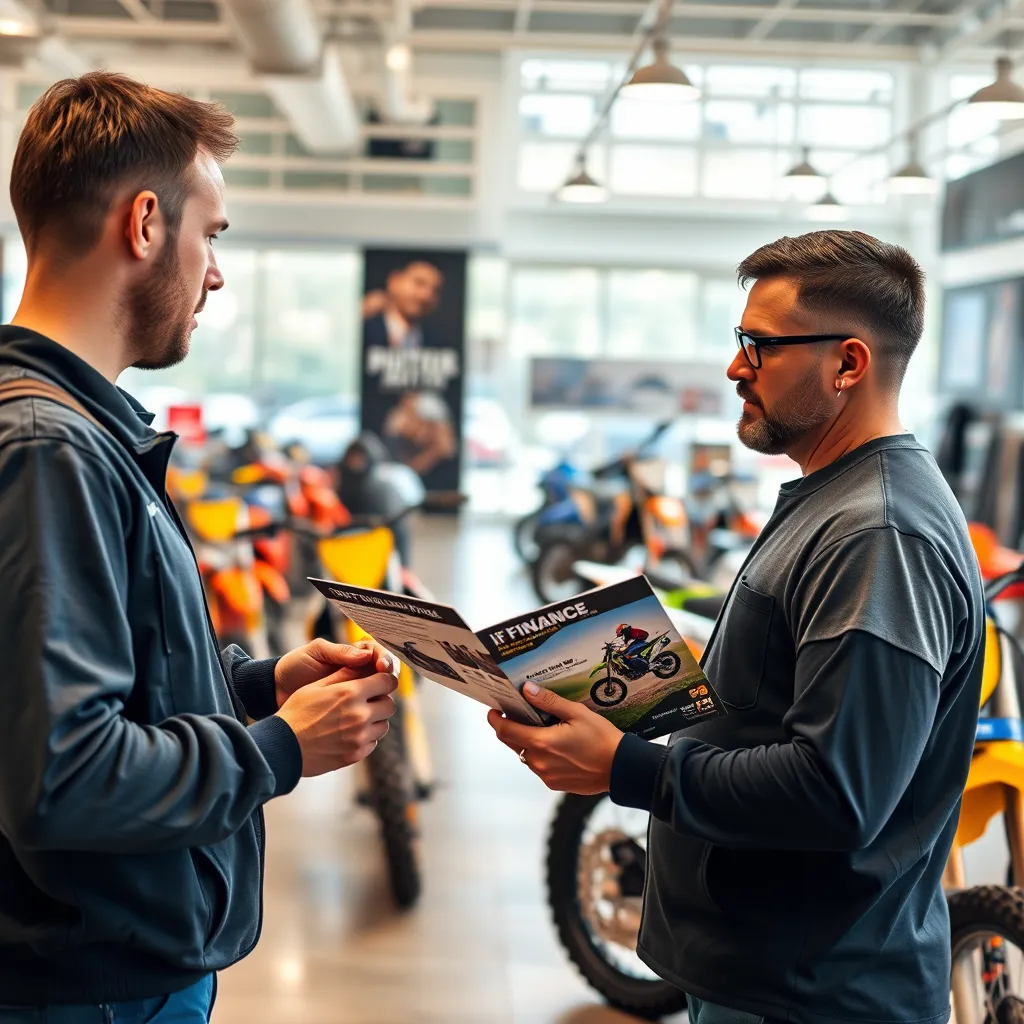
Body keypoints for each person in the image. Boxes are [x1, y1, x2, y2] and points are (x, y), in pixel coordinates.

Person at [489, 230, 985, 1024]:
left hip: (815, 994)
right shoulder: (834, 495)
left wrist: (629, 768)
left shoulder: (878, 532)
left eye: (761, 346)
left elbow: (838, 792)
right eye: (738, 341)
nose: (735, 368)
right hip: (765, 973)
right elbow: (777, 704)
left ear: (847, 364)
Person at [0, 73, 398, 1021]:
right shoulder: (50, 450)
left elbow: (103, 678)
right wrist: (277, 750)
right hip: (92, 990)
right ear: (145, 224)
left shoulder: (74, 431)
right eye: (210, 236)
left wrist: (261, 685)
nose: (216, 273)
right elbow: (61, 773)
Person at [361, 259, 445, 350]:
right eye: (419, 283)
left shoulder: (436, 345)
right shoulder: (362, 329)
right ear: (394, 281)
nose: (426, 296)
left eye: (435, 290)